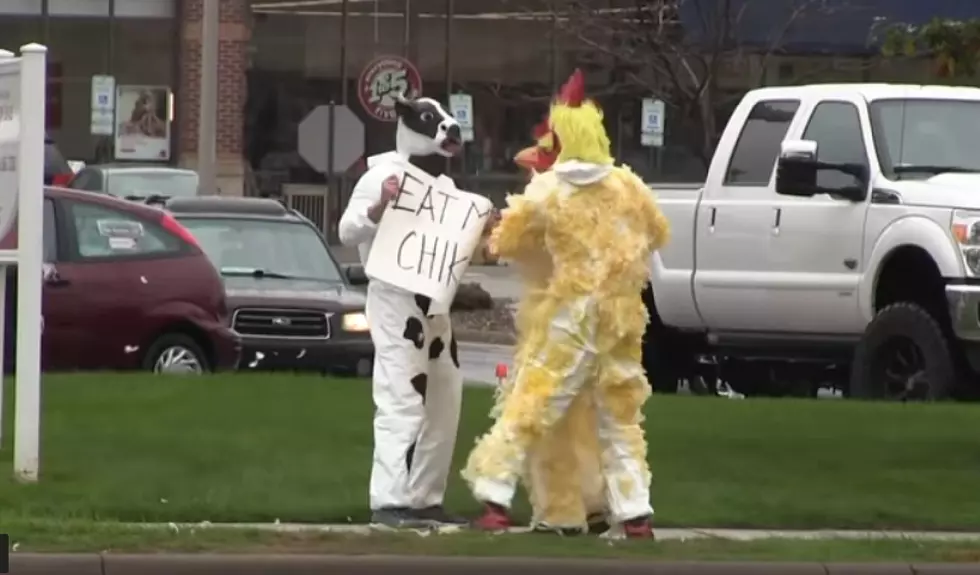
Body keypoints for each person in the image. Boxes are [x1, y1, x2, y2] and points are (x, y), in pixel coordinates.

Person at [461, 69, 671, 539]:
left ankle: (495, 497)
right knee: (620, 421)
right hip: (619, 322)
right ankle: (635, 514)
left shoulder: (549, 189)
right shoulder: (628, 187)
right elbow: (658, 233)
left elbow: (504, 242)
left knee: (530, 406)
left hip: (568, 319)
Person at [338, 94, 471, 529]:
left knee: (444, 400)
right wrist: (380, 207)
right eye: (434, 121)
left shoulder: (446, 190)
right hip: (397, 301)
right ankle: (389, 499)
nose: (447, 128)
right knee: (401, 397)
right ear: (410, 123)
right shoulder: (382, 175)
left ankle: (424, 498)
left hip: (435, 306)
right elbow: (347, 229)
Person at [493, 125, 608, 535]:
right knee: (584, 418)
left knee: (539, 421)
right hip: (593, 327)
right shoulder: (601, 205)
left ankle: (558, 512)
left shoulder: (544, 208)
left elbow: (507, 247)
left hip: (552, 327)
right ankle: (593, 502)